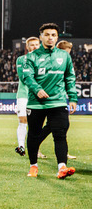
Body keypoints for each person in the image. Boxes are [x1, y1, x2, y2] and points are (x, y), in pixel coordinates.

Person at [22, 23, 78, 179]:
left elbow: (69, 77)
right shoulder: (31, 57)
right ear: (41, 37)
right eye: (47, 35)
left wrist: (72, 97)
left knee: (60, 135)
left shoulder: (64, 56)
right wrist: (37, 89)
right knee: (33, 135)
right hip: (36, 103)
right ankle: (33, 165)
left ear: (57, 37)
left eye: (53, 35)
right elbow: (27, 77)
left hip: (58, 102)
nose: (50, 38)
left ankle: (62, 167)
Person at [13, 37, 39, 157]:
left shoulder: (43, 60)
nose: (34, 47)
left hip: (37, 96)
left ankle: (36, 149)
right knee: (23, 121)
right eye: (32, 45)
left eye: (36, 45)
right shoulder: (21, 59)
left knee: (36, 124)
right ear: (27, 47)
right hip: (24, 95)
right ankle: (21, 146)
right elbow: (23, 76)